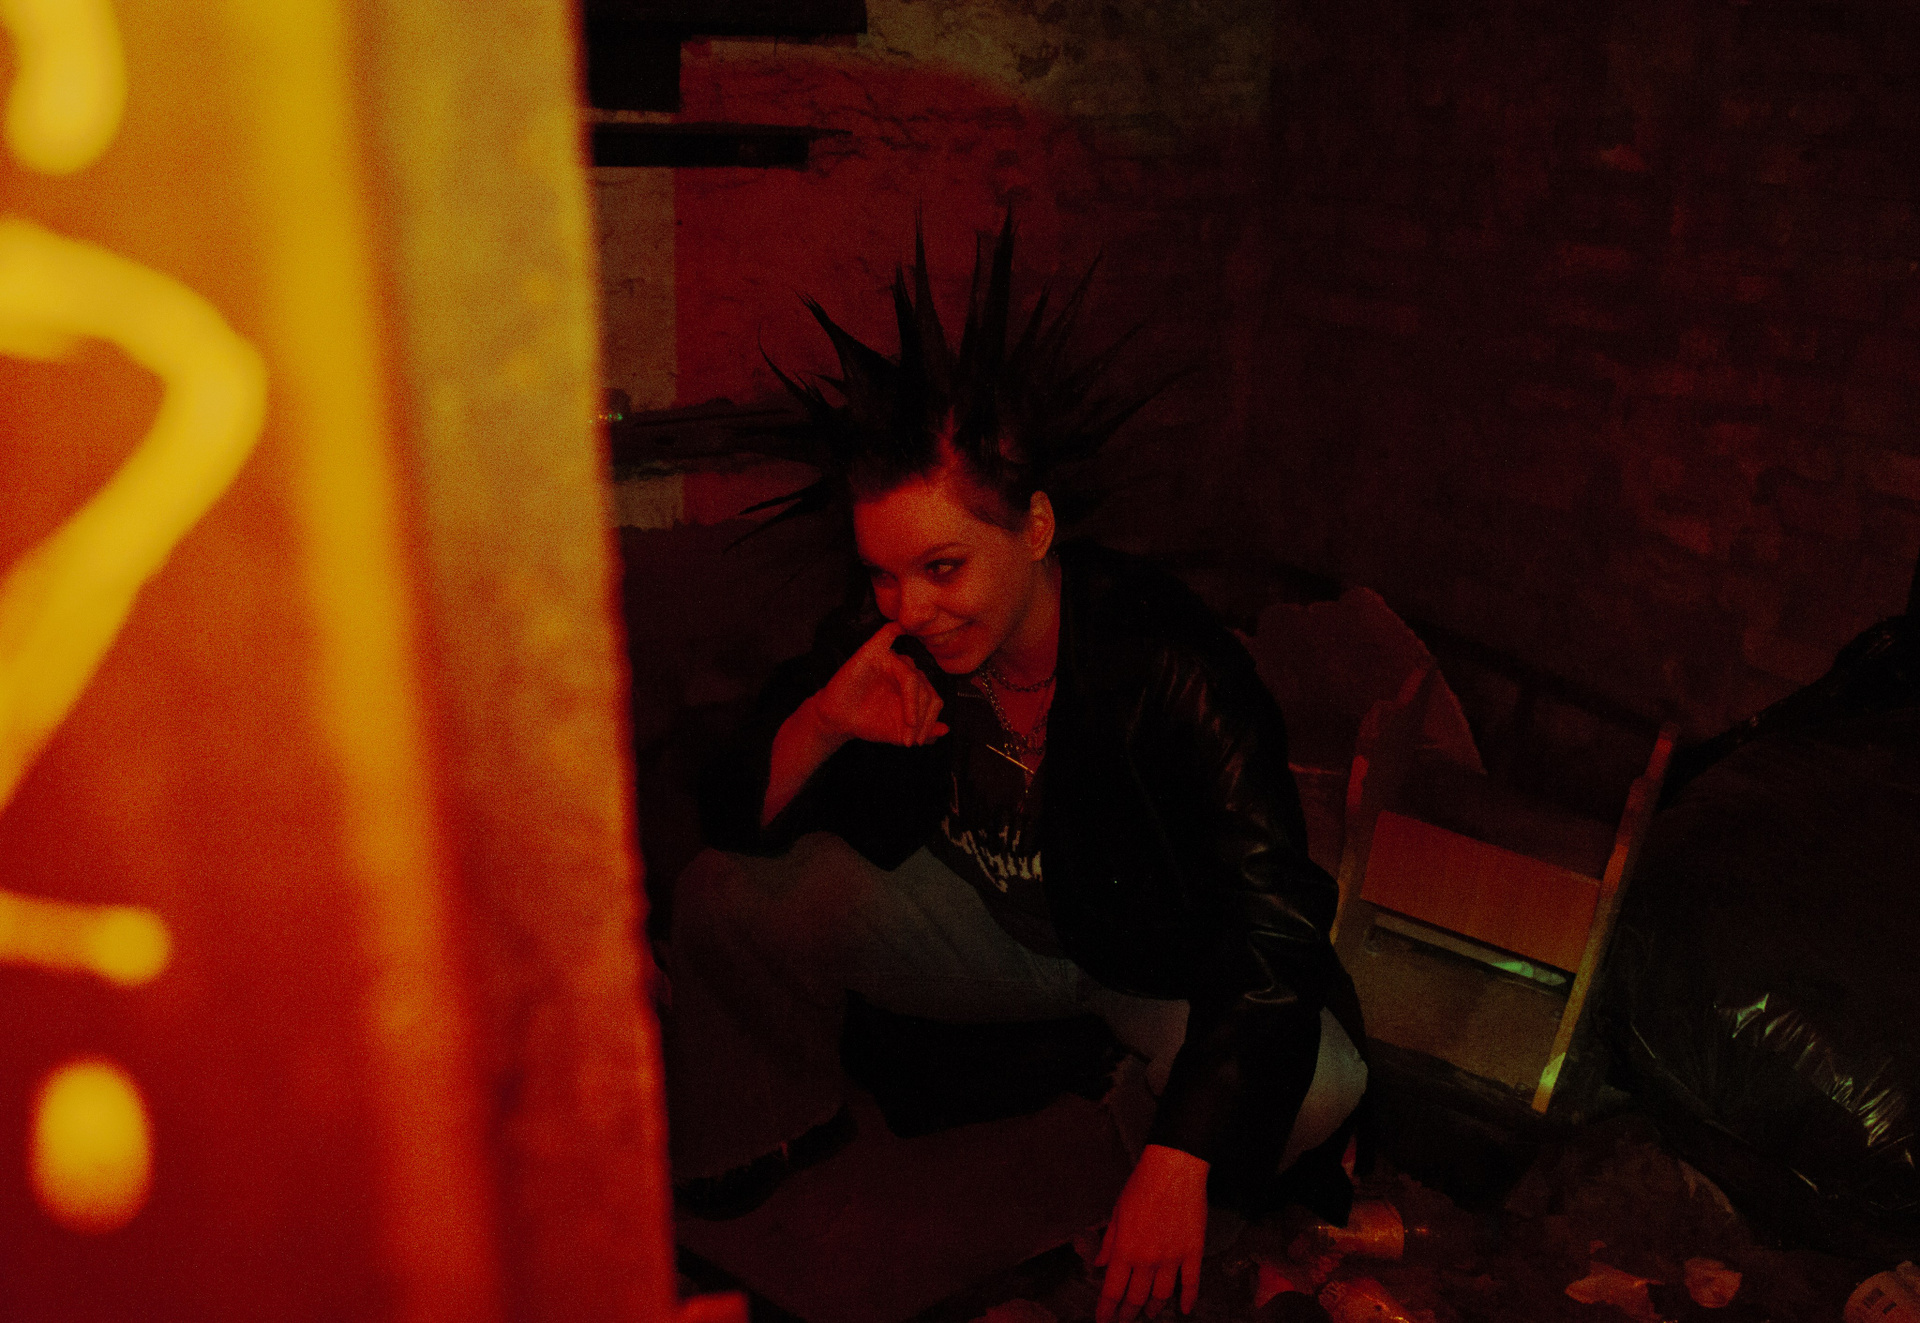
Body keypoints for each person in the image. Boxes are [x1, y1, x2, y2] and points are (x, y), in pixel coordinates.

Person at [663, 218, 1368, 1323]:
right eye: (885, 575)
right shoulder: (889, 635)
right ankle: (774, 1127)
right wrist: (825, 720)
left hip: (1144, 956)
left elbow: (1277, 923)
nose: (911, 608)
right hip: (979, 925)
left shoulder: (1172, 663)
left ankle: (1123, 1152)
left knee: (1320, 1083)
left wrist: (1182, 1156)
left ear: (1035, 528)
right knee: (721, 896)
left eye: (943, 567)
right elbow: (723, 811)